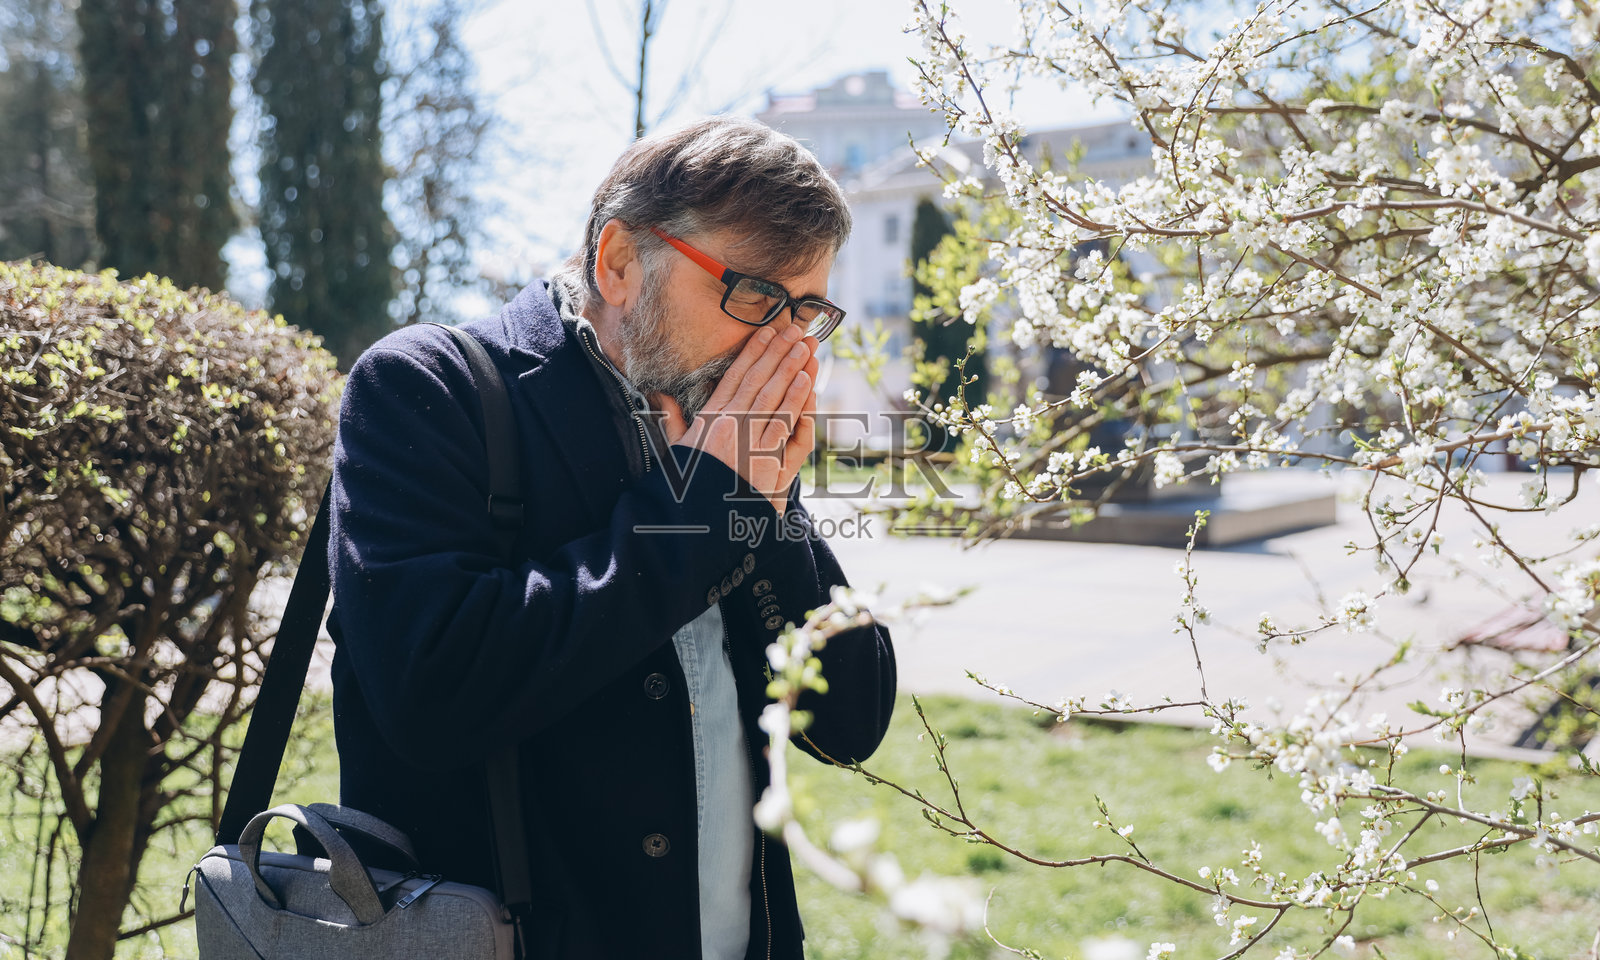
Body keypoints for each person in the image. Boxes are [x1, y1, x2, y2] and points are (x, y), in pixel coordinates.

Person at [325, 116, 897, 960]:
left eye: (805, 310)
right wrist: (706, 508)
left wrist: (763, 512)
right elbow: (434, 694)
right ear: (621, 262)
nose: (778, 343)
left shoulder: (728, 429)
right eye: (753, 295)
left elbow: (848, 725)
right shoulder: (428, 386)